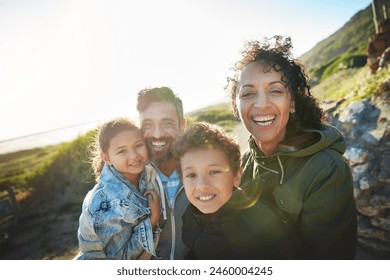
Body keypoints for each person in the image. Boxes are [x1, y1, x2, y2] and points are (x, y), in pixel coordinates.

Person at [225, 35, 357, 259]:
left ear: (292, 103)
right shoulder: (241, 165)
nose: (261, 104)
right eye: (247, 93)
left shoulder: (326, 169)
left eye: (275, 91)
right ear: (236, 107)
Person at [172, 122, 298, 259]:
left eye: (214, 172)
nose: (202, 185)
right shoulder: (191, 216)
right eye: (191, 175)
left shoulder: (258, 228)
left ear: (236, 176)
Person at [74, 117, 162, 260]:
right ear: (107, 158)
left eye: (138, 145)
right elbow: (119, 260)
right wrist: (152, 220)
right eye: (122, 151)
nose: (134, 155)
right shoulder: (106, 203)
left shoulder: (145, 174)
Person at [136, 86, 189, 259]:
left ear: (182, 125)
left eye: (167, 124)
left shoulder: (204, 171)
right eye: (148, 125)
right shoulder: (129, 180)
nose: (157, 134)